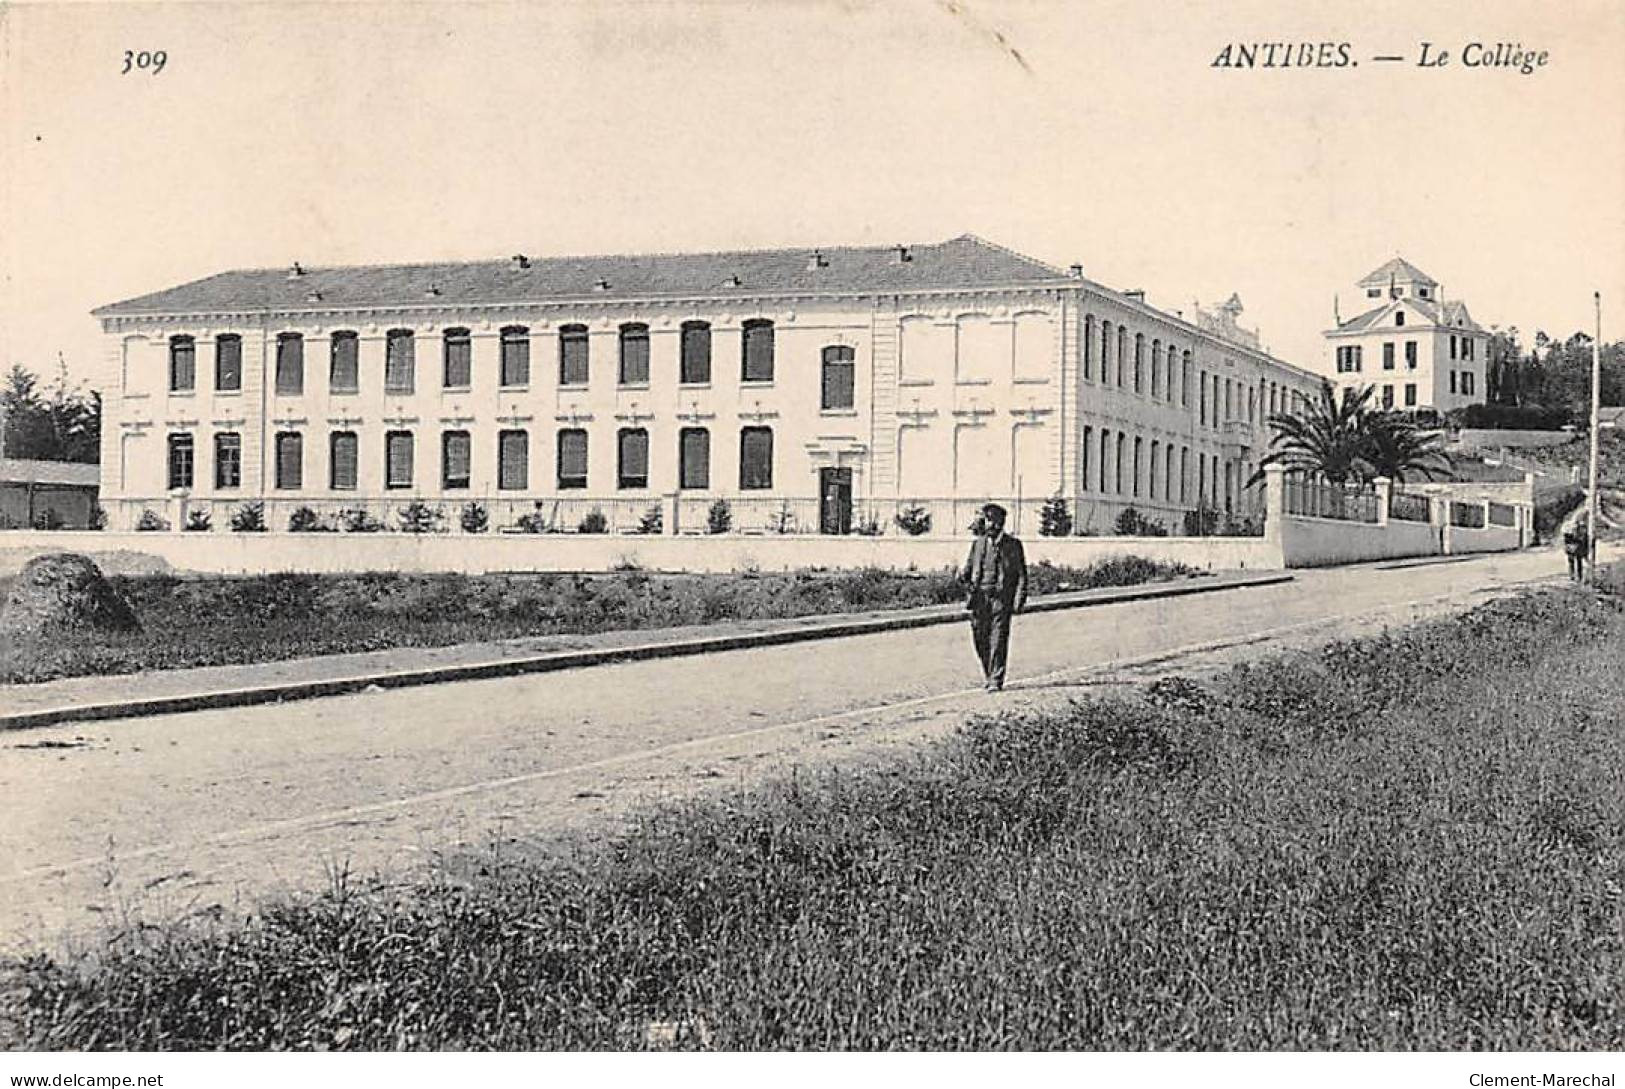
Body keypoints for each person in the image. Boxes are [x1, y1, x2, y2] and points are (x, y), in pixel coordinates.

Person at [959, 503, 1028, 692]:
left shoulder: (1013, 545)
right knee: (980, 639)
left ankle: (996, 679)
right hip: (979, 598)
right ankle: (989, 674)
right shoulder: (978, 544)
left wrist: (1019, 599)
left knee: (997, 639)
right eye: (986, 520)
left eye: (992, 521)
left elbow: (1021, 575)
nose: (988, 524)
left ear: (1000, 523)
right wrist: (962, 576)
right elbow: (969, 568)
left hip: (1001, 599)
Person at [1563, 515, 1590, 582]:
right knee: (1574, 561)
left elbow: (1584, 540)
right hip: (1573, 545)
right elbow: (1566, 538)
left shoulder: (1581, 528)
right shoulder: (1569, 527)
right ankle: (1574, 575)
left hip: (1576, 546)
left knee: (1577, 561)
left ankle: (1576, 576)